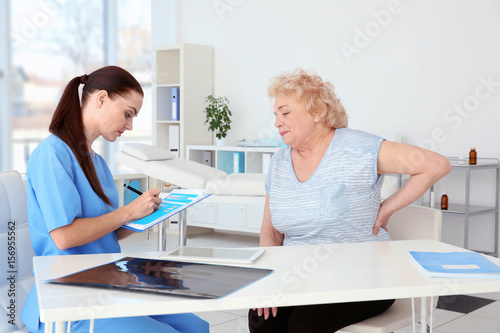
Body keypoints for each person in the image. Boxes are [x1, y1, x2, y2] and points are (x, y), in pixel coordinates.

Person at [248, 68, 451, 333]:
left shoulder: (358, 148)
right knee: (263, 319)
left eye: (285, 113)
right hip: (301, 276)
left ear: (318, 112)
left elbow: (436, 165)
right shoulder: (279, 162)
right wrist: (270, 279)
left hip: (363, 275)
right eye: (275, 115)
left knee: (305, 326)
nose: (277, 122)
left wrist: (388, 207)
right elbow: (271, 231)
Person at [20, 66, 209, 333]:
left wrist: (148, 213)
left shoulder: (98, 164)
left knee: (196, 326)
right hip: (69, 299)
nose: (130, 126)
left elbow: (107, 231)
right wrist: (128, 212)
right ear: (101, 99)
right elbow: (65, 237)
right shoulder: (51, 154)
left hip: (107, 283)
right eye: (127, 114)